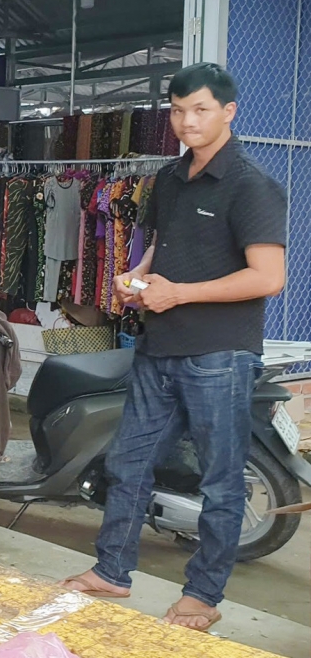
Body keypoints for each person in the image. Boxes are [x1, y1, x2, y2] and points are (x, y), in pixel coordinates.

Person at [62, 62, 287, 632]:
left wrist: (179, 294)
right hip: (160, 348)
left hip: (220, 354)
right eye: (179, 110)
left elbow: (268, 277)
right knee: (127, 462)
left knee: (219, 478)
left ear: (229, 112)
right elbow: (159, 249)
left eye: (201, 110)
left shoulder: (252, 185)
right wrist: (136, 282)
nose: (187, 121)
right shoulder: (168, 178)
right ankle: (111, 571)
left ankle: (202, 596)